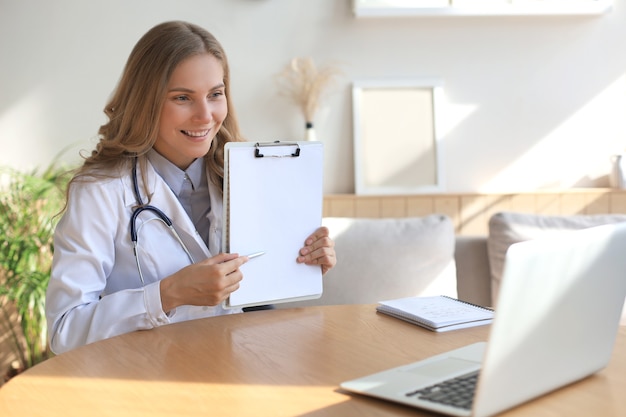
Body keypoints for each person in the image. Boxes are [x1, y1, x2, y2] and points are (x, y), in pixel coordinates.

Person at [45, 21, 336, 355]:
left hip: (234, 367)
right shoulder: (100, 191)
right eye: (182, 98)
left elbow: (256, 298)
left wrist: (303, 263)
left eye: (215, 95)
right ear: (146, 103)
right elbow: (64, 331)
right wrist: (166, 294)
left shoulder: (244, 177)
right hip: (140, 382)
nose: (205, 116)